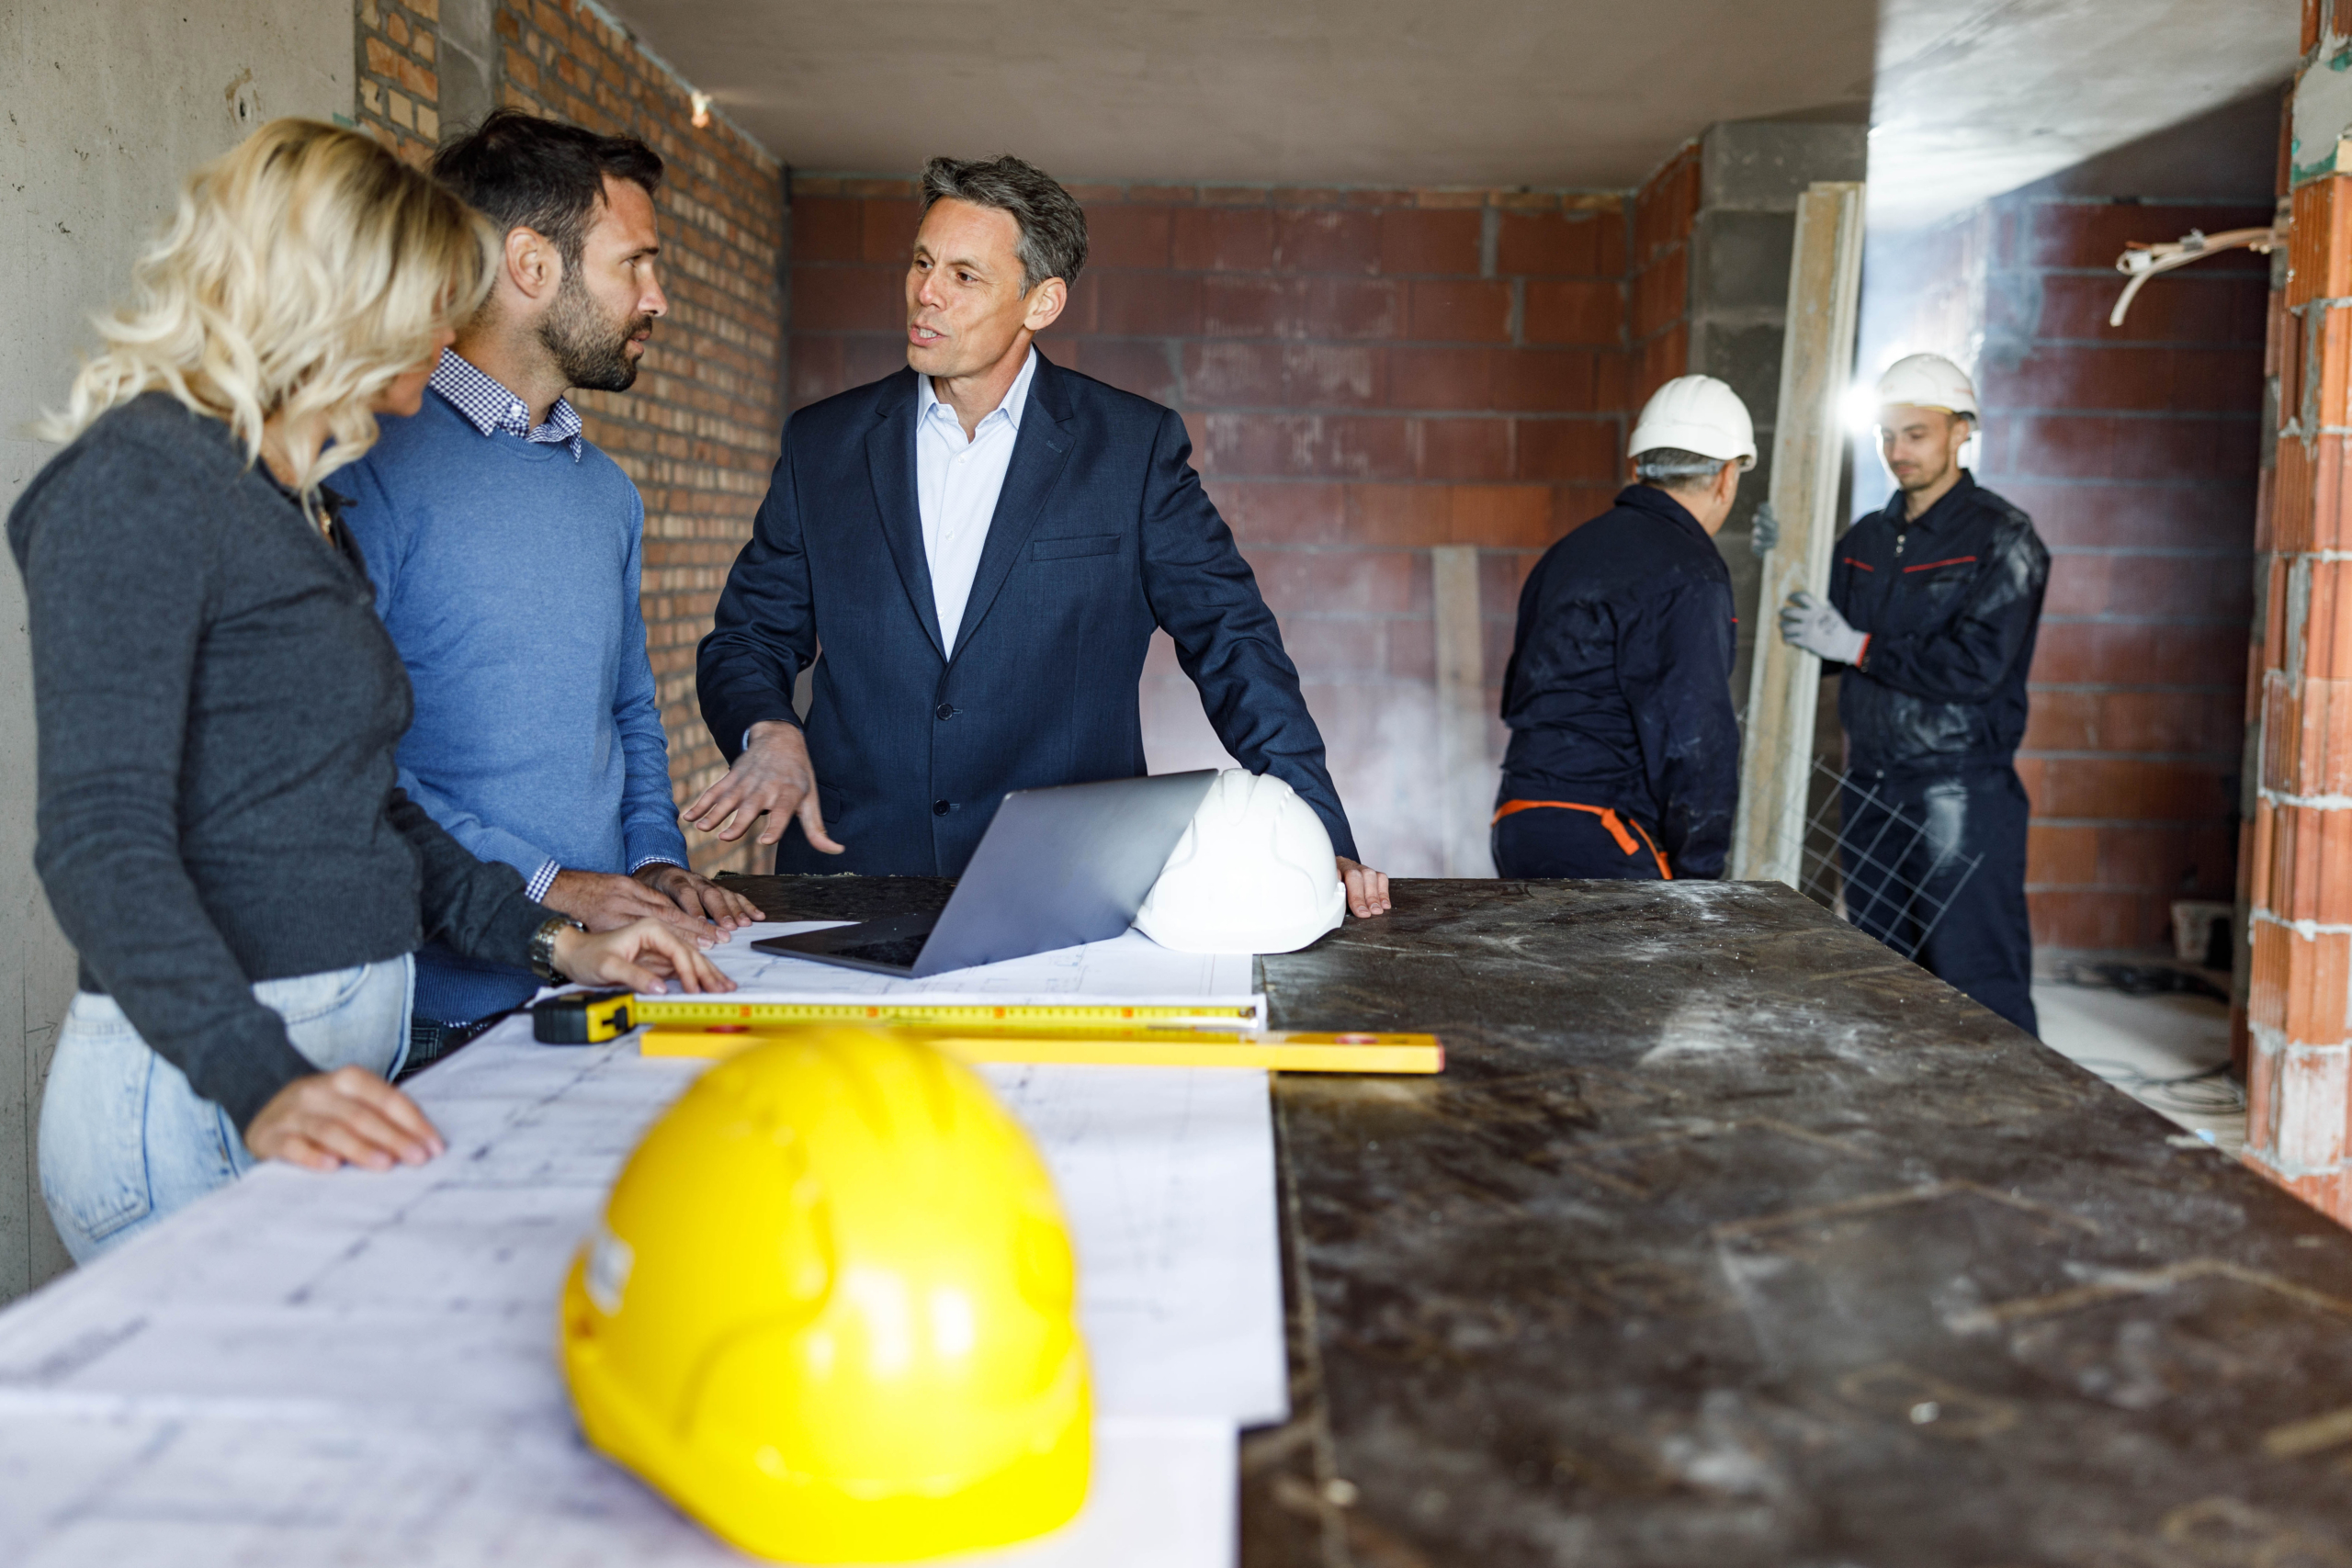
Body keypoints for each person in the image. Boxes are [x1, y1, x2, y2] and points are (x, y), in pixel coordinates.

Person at [10, 119, 732, 1262]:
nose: (450, 334)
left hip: (317, 1084)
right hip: (206, 1105)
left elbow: (367, 809)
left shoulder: (290, 505)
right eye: (426, 302)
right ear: (333, 302)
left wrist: (554, 942)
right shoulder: (137, 487)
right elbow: (99, 842)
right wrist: (265, 1083)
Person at [688, 154, 1390, 918]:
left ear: (1042, 303)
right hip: (848, 879)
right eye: (922, 262)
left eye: (965, 276)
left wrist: (1319, 834)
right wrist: (769, 730)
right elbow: (747, 640)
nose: (926, 292)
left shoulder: (1133, 450)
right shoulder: (823, 444)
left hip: (1069, 884)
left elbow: (1234, 643)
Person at [342, 109, 756, 1056]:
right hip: (437, 1011)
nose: (657, 299)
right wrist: (549, 887)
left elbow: (629, 712)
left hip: (613, 987)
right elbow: (349, 765)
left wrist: (655, 862)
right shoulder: (365, 468)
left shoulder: (606, 493)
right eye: (634, 265)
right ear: (532, 266)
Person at [1779, 353, 2049, 1034]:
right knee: (1881, 973)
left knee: (1975, 977)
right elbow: (1819, 640)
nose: (1897, 451)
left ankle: (2013, 1122)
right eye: (1886, 434)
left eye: (1916, 434)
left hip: (1956, 789)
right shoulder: (1865, 539)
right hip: (1870, 784)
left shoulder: (2003, 538)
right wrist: (1781, 557)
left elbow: (1977, 666)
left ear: (1962, 432)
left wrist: (1862, 647)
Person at [1491, 376, 1751, 880]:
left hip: (1517, 823)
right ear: (1727, 479)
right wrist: (1701, 877)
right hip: (1610, 836)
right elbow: (1697, 740)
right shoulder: (1691, 572)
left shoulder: (1566, 555)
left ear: (1637, 470)